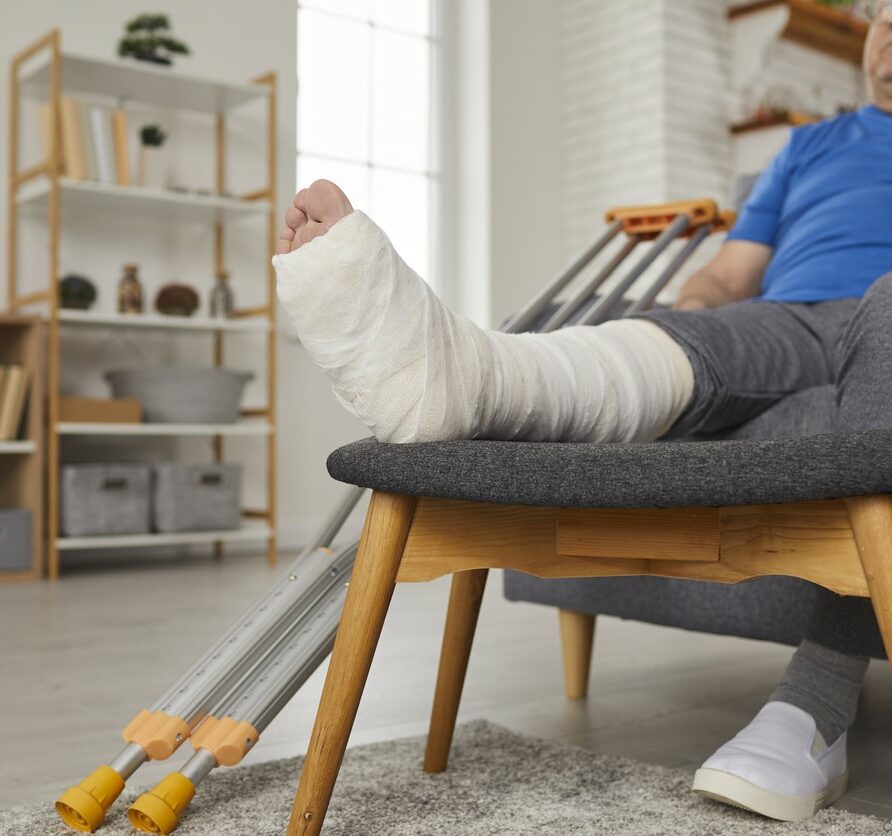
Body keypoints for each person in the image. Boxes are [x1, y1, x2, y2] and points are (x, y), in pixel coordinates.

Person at [271, 1, 892, 822]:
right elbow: (730, 275)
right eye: (882, 19)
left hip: (883, 320)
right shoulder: (810, 146)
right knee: (679, 336)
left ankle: (814, 705)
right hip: (780, 321)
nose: (887, 38)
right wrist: (696, 301)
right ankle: (462, 376)